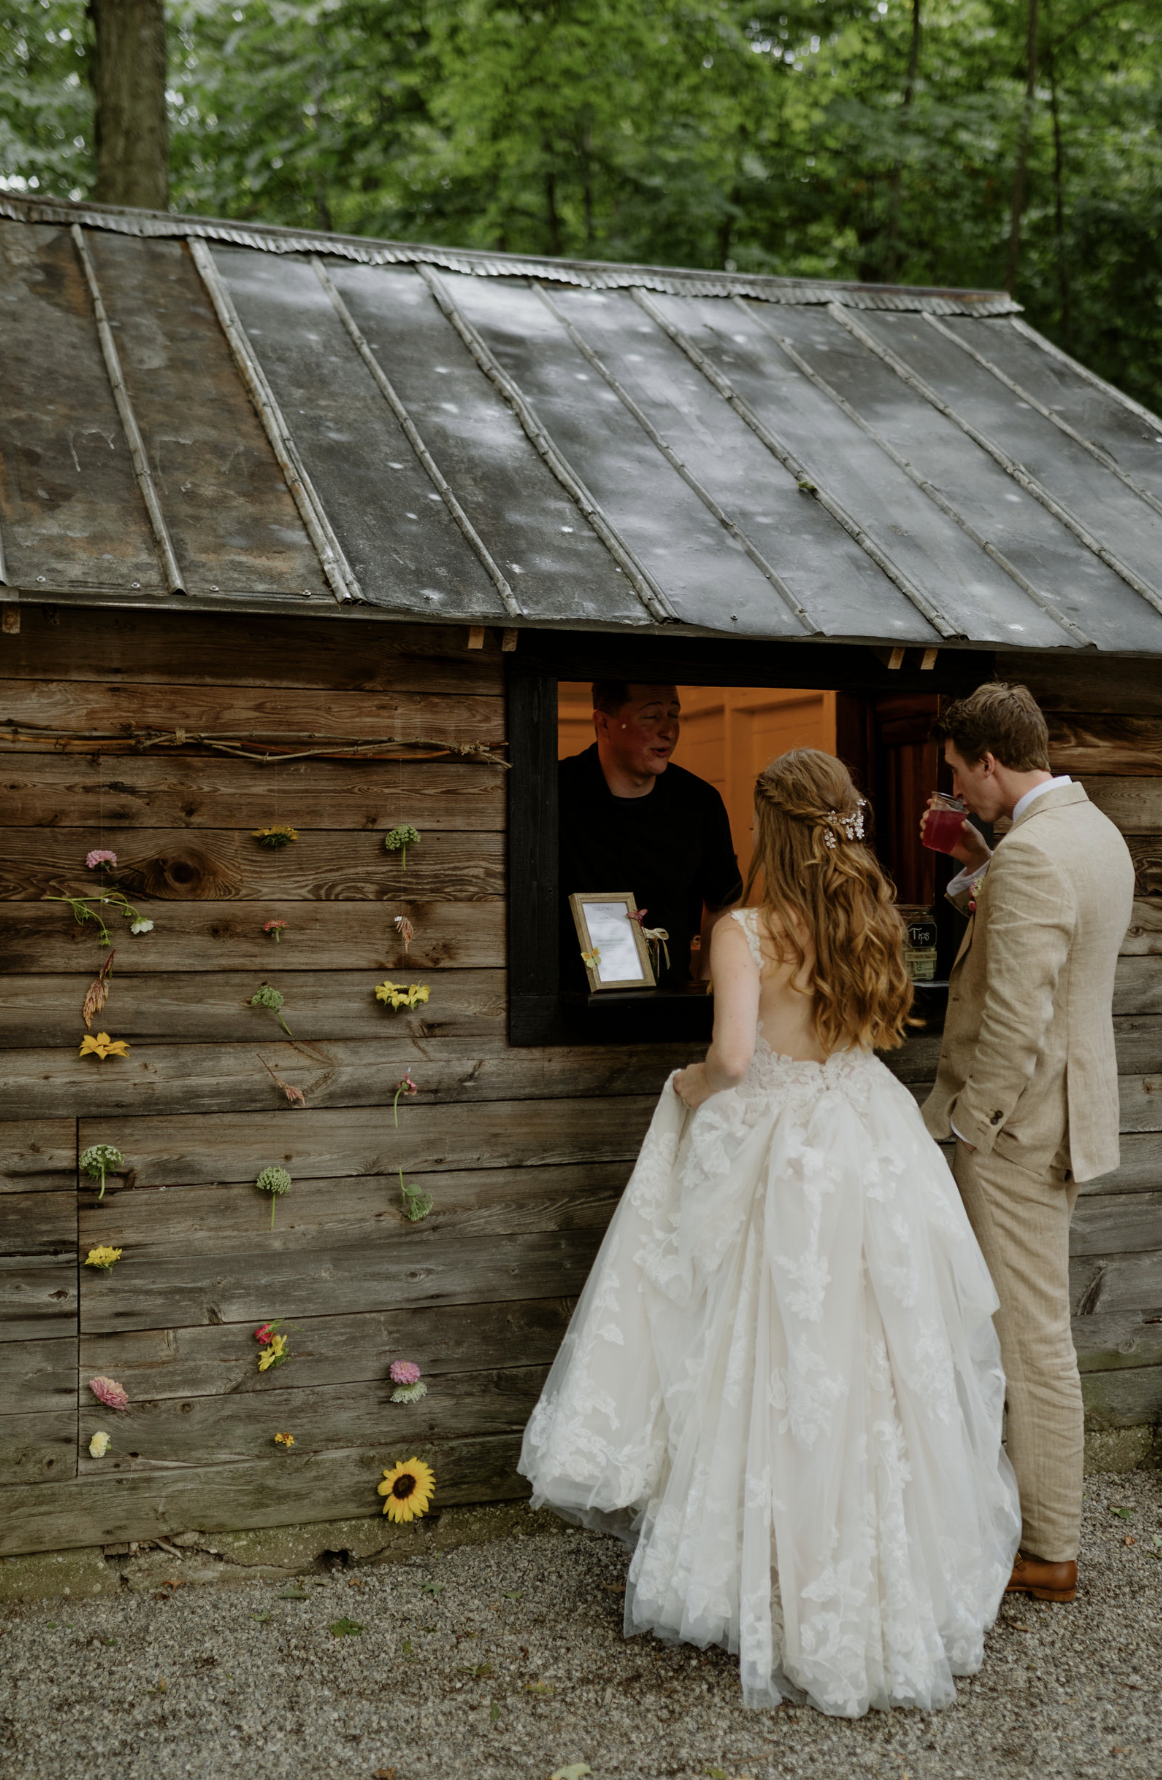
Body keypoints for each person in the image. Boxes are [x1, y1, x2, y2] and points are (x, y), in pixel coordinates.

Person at [521, 748, 1020, 1717]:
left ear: (769, 826)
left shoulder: (744, 929)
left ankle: (772, 1576)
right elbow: (875, 1032)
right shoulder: (870, 914)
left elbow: (735, 1058)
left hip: (784, 1156)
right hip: (865, 1136)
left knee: (767, 1352)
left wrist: (685, 1087)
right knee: (870, 1355)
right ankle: (879, 1571)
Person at [921, 682, 1135, 1606]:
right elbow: (1046, 943)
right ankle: (1029, 1519)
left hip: (1018, 1129)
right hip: (1066, 1111)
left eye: (960, 775)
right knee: (1028, 1323)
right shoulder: (1089, 833)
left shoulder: (1038, 855)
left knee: (1029, 1333)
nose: (958, 792)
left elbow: (1015, 1015)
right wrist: (981, 862)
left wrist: (972, 1125)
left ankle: (1049, 1548)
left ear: (992, 762)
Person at [558, 682, 742, 990]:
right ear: (604, 723)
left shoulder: (699, 801)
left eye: (674, 714)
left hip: (669, 1003)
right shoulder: (554, 791)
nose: (668, 730)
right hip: (565, 1005)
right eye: (652, 716)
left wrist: (706, 985)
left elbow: (723, 900)